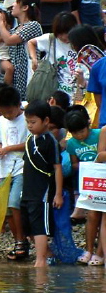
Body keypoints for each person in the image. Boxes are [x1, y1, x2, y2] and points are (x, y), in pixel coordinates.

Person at [0, 86, 29, 260]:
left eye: (10, 112)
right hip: (5, 168)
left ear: (18, 105)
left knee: (14, 202)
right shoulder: (2, 121)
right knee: (8, 209)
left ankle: (22, 240)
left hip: (21, 166)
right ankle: (18, 240)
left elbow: (30, 142)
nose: (7, 116)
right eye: (4, 113)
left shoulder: (27, 120)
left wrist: (8, 148)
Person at [21, 99, 63, 268]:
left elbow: (57, 168)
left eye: (33, 122)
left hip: (43, 190)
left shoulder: (50, 141)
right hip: (28, 189)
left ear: (46, 121)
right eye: (28, 122)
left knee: (40, 225)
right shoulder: (30, 139)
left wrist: (58, 194)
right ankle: (47, 254)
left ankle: (41, 260)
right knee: (28, 224)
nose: (30, 126)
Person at [0, 0, 43, 100]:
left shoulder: (33, 25)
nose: (13, 5)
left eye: (16, 2)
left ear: (25, 7)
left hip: (27, 73)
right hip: (16, 76)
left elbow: (9, 40)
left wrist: (0, 23)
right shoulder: (16, 28)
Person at [64, 110, 101, 265]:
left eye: (82, 131)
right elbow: (73, 164)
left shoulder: (99, 134)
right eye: (75, 133)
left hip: (101, 178)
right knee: (92, 215)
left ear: (88, 125)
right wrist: (86, 166)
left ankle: (99, 251)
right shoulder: (71, 143)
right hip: (89, 182)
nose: (79, 136)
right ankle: (89, 249)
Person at [27, 12, 79, 99]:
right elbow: (31, 42)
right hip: (54, 90)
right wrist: (34, 59)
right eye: (60, 34)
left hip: (76, 91)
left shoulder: (79, 40)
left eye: (66, 33)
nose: (63, 37)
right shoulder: (51, 39)